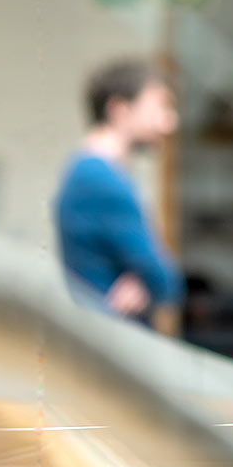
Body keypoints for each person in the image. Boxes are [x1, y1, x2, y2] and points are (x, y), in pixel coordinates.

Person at [54, 58, 184, 325]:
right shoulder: (100, 181)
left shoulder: (89, 172)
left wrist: (144, 281)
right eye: (160, 106)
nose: (170, 122)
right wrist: (150, 280)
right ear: (119, 109)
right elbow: (165, 280)